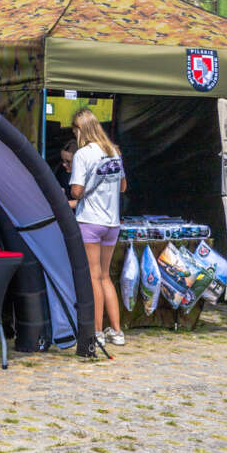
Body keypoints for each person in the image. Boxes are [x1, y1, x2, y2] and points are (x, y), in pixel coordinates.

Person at [68, 109, 126, 347]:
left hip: (90, 221)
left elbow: (76, 191)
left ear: (80, 129)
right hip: (112, 222)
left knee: (93, 277)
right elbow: (123, 187)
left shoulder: (83, 154)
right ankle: (117, 331)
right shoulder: (114, 152)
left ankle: (98, 331)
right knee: (106, 276)